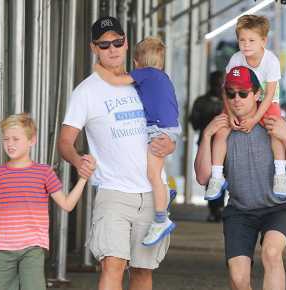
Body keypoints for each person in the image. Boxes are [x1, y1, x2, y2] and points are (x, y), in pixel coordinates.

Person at [58, 16, 175, 290]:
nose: (112, 49)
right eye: (104, 44)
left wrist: (170, 144)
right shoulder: (85, 92)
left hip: (152, 193)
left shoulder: (146, 81)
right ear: (94, 48)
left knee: (143, 272)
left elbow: (167, 124)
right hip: (113, 192)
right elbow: (64, 141)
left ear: (126, 44)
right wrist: (77, 160)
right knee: (113, 263)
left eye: (118, 42)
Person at [195, 66, 286, 290]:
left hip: (278, 208)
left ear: (257, 94)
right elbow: (202, 177)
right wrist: (207, 135)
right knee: (239, 280)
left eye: (243, 93)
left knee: (271, 252)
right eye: (231, 93)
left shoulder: (276, 124)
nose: (236, 99)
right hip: (240, 211)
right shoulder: (220, 129)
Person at [0, 113, 95, 290]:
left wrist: (83, 179)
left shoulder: (44, 173)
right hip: (2, 248)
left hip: (33, 247)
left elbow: (67, 204)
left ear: (32, 140)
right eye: (6, 139)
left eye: (16, 139)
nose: (10, 144)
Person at [94, 36, 180, 246]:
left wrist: (98, 68)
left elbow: (116, 80)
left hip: (157, 129)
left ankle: (161, 219)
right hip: (168, 128)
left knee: (152, 175)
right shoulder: (163, 77)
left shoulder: (144, 74)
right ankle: (167, 192)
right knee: (156, 172)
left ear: (136, 63)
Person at [205, 15, 286, 200]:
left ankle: (280, 173)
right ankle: (217, 176)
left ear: (263, 41)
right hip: (241, 98)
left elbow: (268, 95)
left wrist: (254, 119)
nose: (246, 45)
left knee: (275, 128)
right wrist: (230, 111)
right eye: (242, 40)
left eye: (252, 40)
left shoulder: (271, 61)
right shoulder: (236, 58)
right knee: (222, 128)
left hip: (267, 101)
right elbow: (225, 89)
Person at [189, 71, 225, 222]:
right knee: (210, 178)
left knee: (224, 176)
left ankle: (222, 207)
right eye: (217, 82)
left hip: (225, 145)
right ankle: (214, 208)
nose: (219, 86)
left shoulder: (229, 100)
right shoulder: (202, 101)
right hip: (207, 145)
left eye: (221, 82)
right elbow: (194, 122)